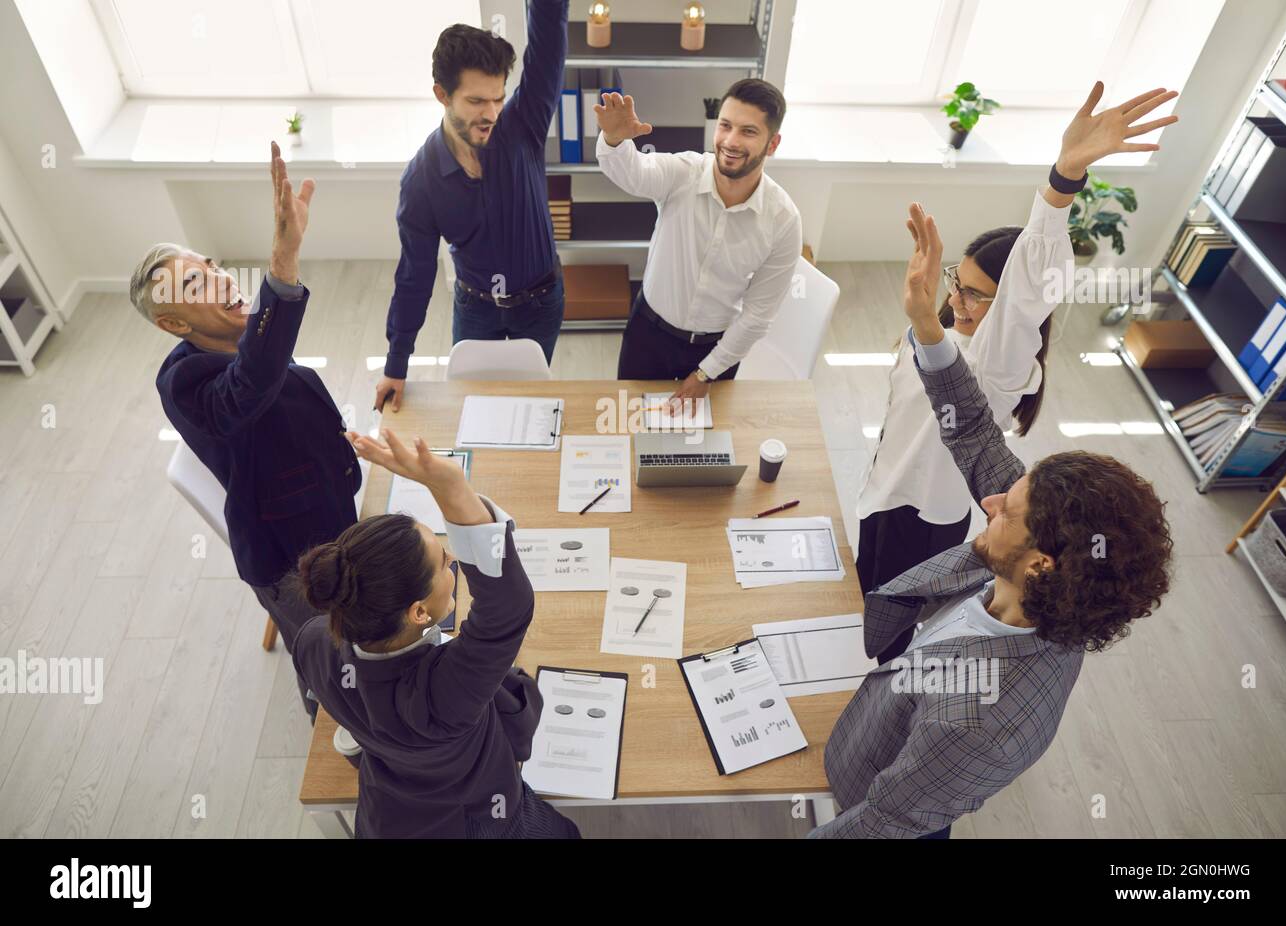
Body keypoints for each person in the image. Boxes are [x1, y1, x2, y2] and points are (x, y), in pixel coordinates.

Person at [811, 89, 1178, 839]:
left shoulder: (987, 717)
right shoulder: (1021, 560)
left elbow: (883, 821)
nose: (993, 501)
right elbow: (971, 430)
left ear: (1041, 562)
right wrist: (923, 322)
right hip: (879, 724)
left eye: (1013, 504)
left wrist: (1060, 186)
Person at [855, 81, 1178, 666]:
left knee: (892, 620)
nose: (960, 301)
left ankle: (882, 674)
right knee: (864, 588)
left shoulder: (1000, 362)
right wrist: (928, 316)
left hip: (925, 512)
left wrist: (1061, 182)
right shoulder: (941, 330)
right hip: (884, 489)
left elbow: (1033, 283)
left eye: (979, 296)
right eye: (959, 283)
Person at [138, 142, 355, 718]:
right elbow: (246, 392)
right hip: (292, 558)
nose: (219, 280)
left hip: (330, 512)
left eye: (209, 266)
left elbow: (264, 365)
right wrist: (284, 260)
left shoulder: (239, 337)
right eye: (195, 286)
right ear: (173, 323)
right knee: (331, 675)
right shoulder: (184, 383)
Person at [293, 428, 580, 839]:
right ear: (419, 611)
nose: (453, 558)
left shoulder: (313, 642)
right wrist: (450, 486)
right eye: (444, 562)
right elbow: (508, 607)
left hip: (388, 817)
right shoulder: (442, 698)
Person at [375, 0, 569, 414]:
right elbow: (414, 276)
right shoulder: (421, 181)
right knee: (476, 408)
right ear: (441, 95)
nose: (492, 114)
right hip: (475, 307)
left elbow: (549, 37)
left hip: (540, 303)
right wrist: (396, 363)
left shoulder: (523, 124)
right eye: (477, 101)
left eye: (498, 98)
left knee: (528, 404)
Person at [593, 78, 802, 410]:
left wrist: (707, 373)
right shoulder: (683, 172)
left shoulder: (783, 220)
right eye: (725, 126)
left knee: (702, 445)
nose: (730, 141)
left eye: (748, 132)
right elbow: (633, 173)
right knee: (632, 424)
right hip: (648, 334)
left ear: (772, 144)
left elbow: (757, 315)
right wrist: (615, 139)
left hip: (716, 349)